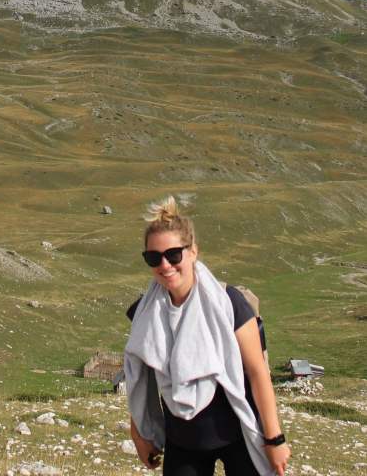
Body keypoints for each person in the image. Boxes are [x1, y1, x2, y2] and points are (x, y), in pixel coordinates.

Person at [124, 196, 291, 476]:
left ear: (193, 252)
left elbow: (257, 372)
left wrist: (275, 438)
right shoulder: (145, 313)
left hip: (238, 435)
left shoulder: (229, 303)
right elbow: (140, 377)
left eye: (173, 255)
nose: (165, 265)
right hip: (182, 442)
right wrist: (139, 434)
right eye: (154, 257)